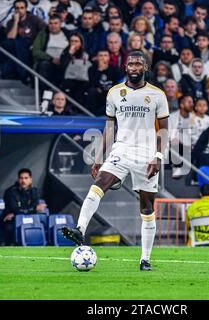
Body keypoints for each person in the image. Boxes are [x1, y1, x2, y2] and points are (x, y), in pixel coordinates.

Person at [62, 51, 169, 271]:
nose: (134, 66)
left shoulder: (157, 95)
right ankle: (80, 230)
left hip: (147, 154)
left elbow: (165, 130)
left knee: (147, 206)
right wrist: (99, 157)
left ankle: (145, 259)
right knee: (99, 183)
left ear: (145, 67)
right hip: (121, 150)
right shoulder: (114, 93)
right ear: (125, 67)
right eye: (131, 63)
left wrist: (158, 157)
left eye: (138, 63)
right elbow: (109, 128)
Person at [0, 168, 47, 246]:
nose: (23, 181)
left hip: (26, 218)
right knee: (9, 228)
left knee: (42, 224)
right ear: (18, 179)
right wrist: (33, 209)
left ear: (30, 180)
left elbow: (33, 208)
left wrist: (17, 213)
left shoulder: (34, 191)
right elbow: (14, 209)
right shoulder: (10, 191)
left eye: (26, 178)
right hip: (11, 220)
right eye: (21, 178)